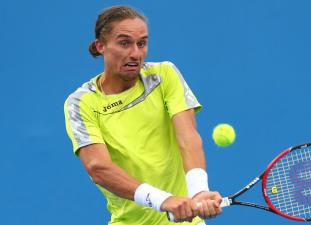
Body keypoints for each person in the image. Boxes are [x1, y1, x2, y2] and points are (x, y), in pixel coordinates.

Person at [64, 5, 222, 225]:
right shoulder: (81, 103)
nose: (135, 53)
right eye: (124, 43)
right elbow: (98, 168)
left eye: (142, 43)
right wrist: (163, 200)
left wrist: (198, 191)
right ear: (101, 46)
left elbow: (188, 137)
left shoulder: (163, 75)